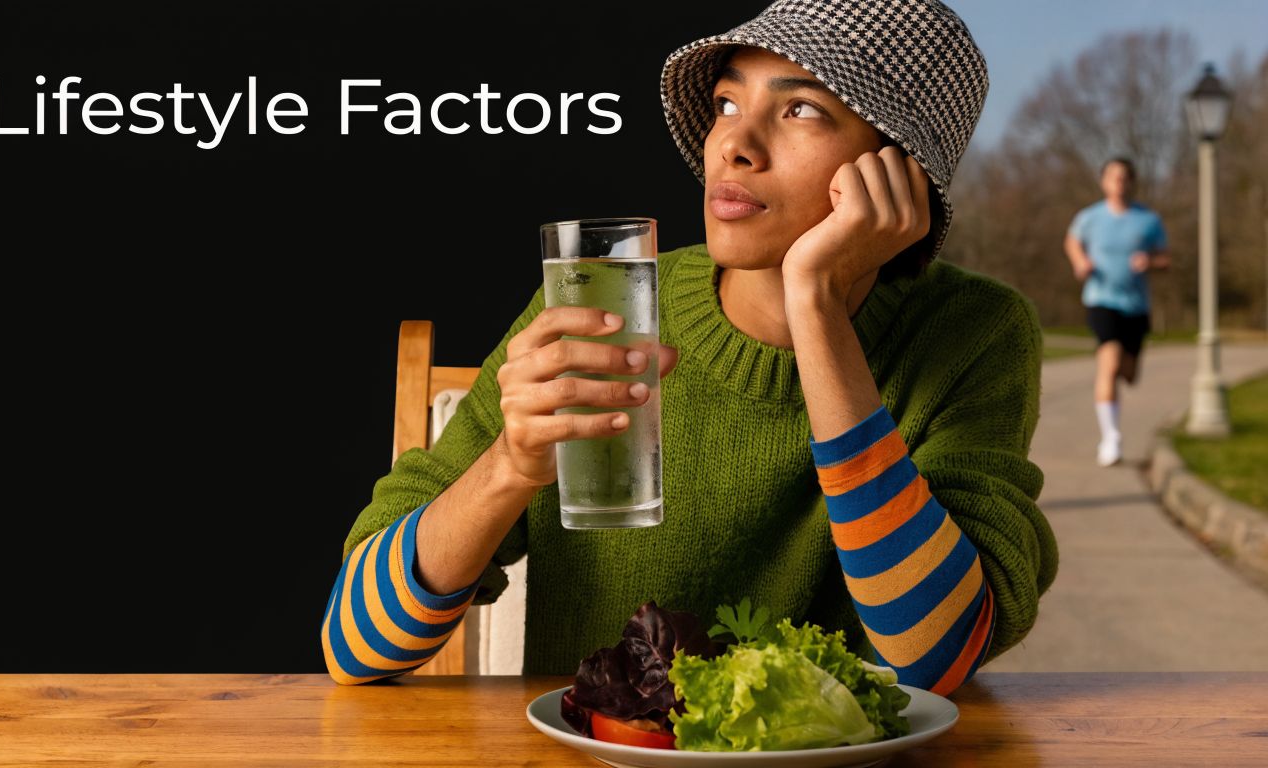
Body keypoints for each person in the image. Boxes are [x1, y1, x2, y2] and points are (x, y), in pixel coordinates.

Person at [322, 0, 1057, 696]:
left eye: (802, 109)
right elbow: (353, 643)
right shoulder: (598, 303)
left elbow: (939, 652)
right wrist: (509, 468)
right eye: (727, 105)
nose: (734, 144)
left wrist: (816, 305)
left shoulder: (972, 330)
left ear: (899, 177)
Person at [1064, 157, 1172, 467]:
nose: (1119, 183)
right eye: (1113, 177)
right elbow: (1071, 241)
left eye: (1124, 177)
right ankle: (1110, 438)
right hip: (1101, 299)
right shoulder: (1090, 218)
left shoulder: (1148, 220)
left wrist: (1149, 263)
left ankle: (1120, 383)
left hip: (1136, 306)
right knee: (1108, 363)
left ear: (1132, 182)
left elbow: (1165, 258)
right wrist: (1080, 262)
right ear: (1104, 182)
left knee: (1128, 373)